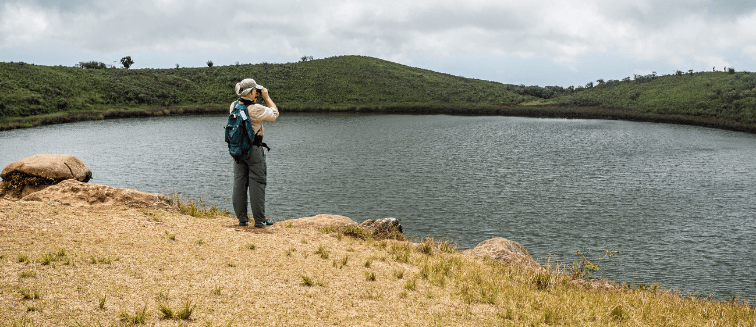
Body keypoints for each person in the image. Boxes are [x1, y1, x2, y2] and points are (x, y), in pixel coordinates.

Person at [231, 78, 279, 227]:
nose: (257, 93)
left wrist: (254, 96)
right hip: (254, 150)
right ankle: (259, 220)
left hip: (238, 150)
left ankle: (242, 219)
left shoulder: (233, 106)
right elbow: (275, 113)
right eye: (255, 90)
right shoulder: (256, 109)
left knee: (239, 183)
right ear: (251, 91)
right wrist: (266, 97)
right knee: (257, 182)